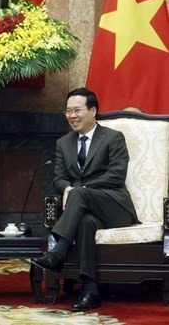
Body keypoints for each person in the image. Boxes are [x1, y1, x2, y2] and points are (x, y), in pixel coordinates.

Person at [32, 87, 139, 311]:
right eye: (68, 111)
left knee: (78, 192)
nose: (72, 115)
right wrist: (69, 188)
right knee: (85, 222)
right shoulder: (64, 142)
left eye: (77, 110)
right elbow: (59, 179)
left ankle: (58, 252)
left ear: (93, 111)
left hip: (115, 207)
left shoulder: (113, 138)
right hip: (86, 210)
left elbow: (116, 175)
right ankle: (90, 290)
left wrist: (77, 189)